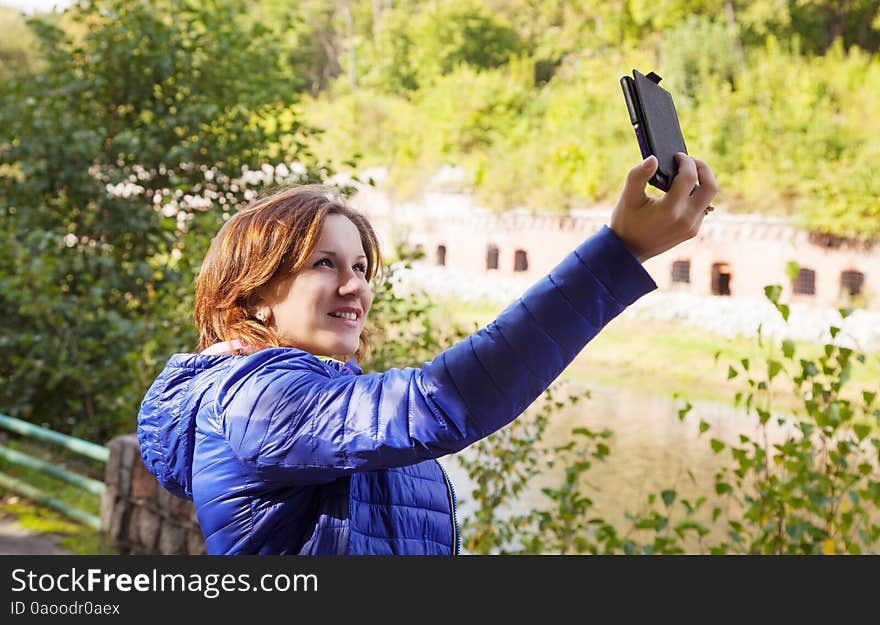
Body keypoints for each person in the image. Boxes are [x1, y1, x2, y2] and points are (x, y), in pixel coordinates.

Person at [137, 153, 717, 555]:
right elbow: (443, 403)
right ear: (256, 295)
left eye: (360, 268)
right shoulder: (255, 398)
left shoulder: (324, 399)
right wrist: (617, 255)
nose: (354, 286)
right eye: (324, 264)